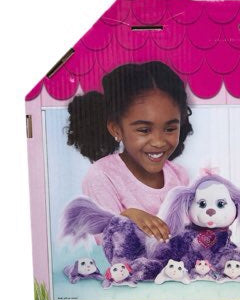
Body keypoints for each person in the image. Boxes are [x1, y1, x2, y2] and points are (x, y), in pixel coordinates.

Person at [66, 61, 193, 242]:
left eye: (170, 129)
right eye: (144, 130)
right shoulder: (102, 176)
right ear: (116, 129)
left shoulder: (180, 175)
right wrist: (128, 216)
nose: (158, 142)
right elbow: (109, 245)